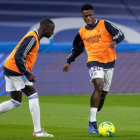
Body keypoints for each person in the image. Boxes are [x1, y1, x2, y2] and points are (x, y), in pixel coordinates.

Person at [63, 4, 124, 134]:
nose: (88, 18)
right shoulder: (81, 32)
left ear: (94, 14)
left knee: (103, 95)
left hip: (109, 63)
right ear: (82, 17)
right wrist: (69, 61)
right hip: (94, 61)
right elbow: (77, 49)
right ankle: (93, 121)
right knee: (99, 86)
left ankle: (92, 117)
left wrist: (115, 41)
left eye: (90, 15)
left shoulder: (104, 24)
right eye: (85, 16)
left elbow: (120, 33)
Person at [0, 19, 55, 137]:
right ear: (44, 29)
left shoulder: (34, 37)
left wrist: (27, 71)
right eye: (51, 29)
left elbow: (22, 56)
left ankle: (38, 131)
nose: (53, 32)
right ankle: (38, 131)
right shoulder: (32, 38)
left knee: (15, 101)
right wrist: (26, 73)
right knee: (33, 95)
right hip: (16, 70)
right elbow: (18, 55)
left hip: (10, 68)